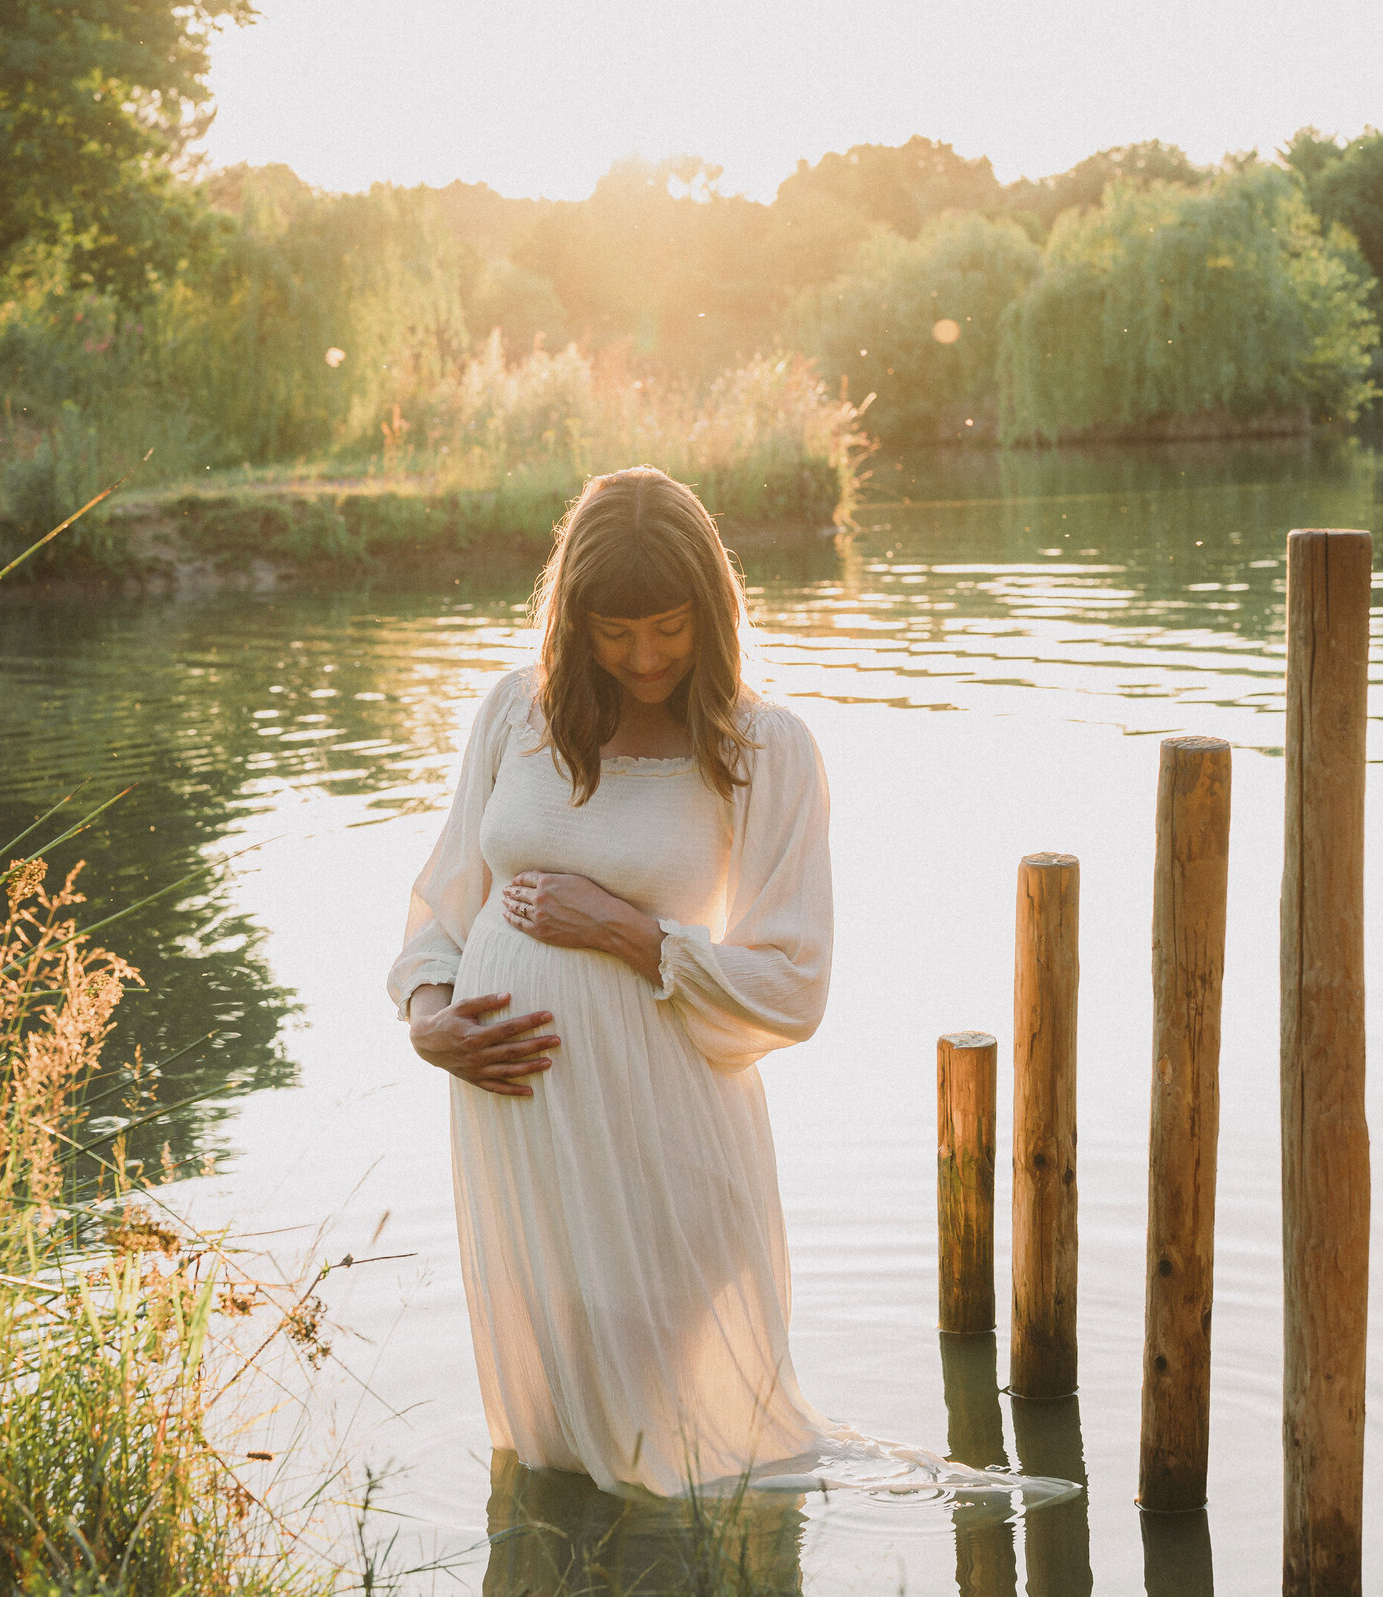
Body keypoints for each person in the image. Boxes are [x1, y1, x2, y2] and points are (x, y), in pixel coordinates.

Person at [390, 466, 1079, 1506]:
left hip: (664, 1115)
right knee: (559, 1420)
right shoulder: (511, 715)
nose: (646, 655)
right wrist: (429, 1021)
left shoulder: (764, 750)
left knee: (677, 1436)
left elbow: (793, 981)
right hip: (517, 1116)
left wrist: (624, 930)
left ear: (711, 610)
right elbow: (445, 900)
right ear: (574, 622)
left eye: (668, 626)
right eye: (615, 632)